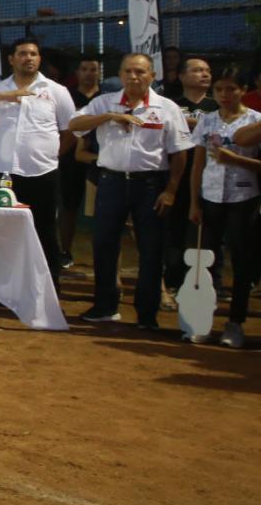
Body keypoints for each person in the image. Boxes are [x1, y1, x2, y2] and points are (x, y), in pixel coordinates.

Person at [68, 52, 195, 328]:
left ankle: (146, 315)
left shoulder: (166, 107)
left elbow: (180, 153)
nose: (133, 77)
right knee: (103, 244)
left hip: (151, 185)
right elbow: (74, 125)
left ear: (152, 75)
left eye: (140, 72)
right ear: (120, 74)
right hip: (110, 182)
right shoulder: (103, 102)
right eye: (127, 71)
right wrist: (108, 116)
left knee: (151, 249)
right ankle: (105, 306)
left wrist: (171, 190)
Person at [0, 38, 76, 282]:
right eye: (22, 53)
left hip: (42, 174)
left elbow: (71, 130)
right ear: (11, 59)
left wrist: (50, 156)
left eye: (33, 53)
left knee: (45, 233)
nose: (29, 58)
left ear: (39, 59)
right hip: (2, 174)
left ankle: (48, 290)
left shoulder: (56, 91)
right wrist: (3, 96)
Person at [187, 68, 261, 347]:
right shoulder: (207, 121)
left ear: (244, 90)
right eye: (219, 90)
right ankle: (203, 320)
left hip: (243, 200)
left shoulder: (256, 122)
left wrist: (236, 160)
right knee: (207, 261)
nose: (224, 95)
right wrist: (194, 202)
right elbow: (197, 165)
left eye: (231, 89)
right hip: (211, 198)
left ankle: (235, 324)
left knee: (241, 263)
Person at [162, 56, 219, 307]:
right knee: (174, 230)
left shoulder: (217, 106)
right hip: (178, 176)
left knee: (211, 232)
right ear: (182, 77)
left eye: (207, 70)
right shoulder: (172, 106)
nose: (204, 74)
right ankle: (173, 281)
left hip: (212, 178)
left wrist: (196, 125)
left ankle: (211, 281)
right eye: (196, 70)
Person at [58, 54, 103, 267]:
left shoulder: (106, 99)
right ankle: (65, 252)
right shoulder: (68, 97)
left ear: (99, 72)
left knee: (103, 211)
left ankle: (102, 254)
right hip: (70, 160)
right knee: (69, 207)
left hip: (100, 160)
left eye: (93, 69)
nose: (88, 73)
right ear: (77, 73)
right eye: (84, 69)